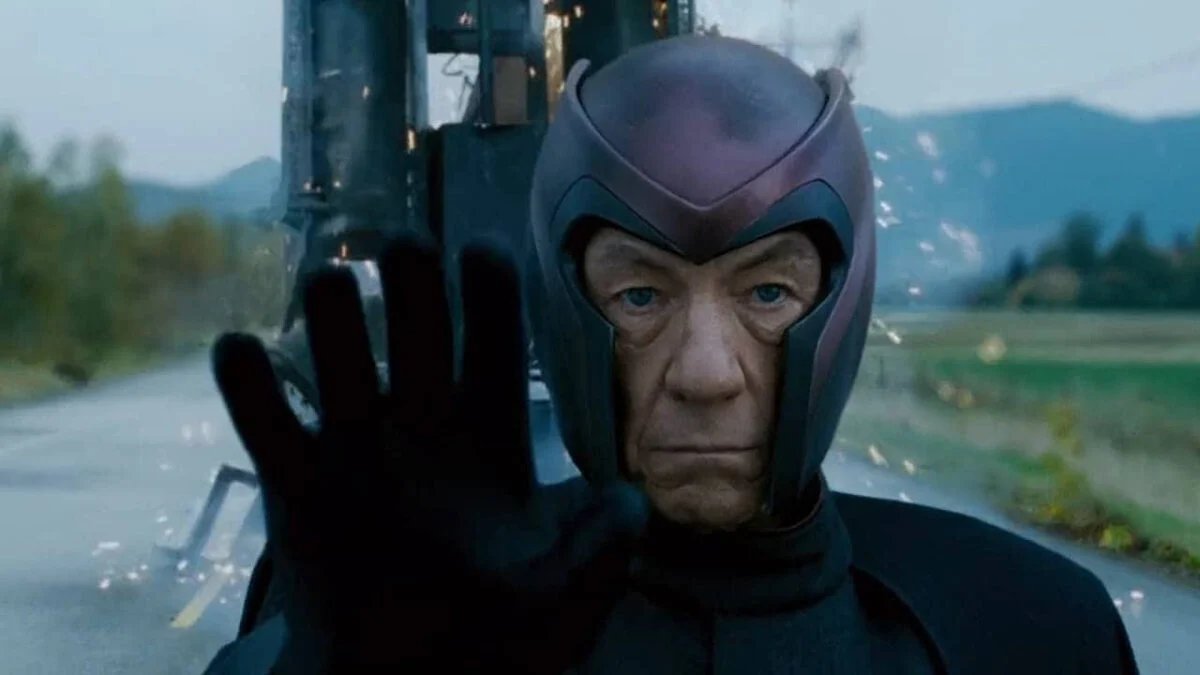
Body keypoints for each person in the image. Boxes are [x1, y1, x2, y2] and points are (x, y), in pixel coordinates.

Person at [206, 36, 1138, 674]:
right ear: (565, 305)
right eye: (641, 296)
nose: (705, 375)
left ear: (841, 300)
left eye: (767, 293)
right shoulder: (400, 579)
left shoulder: (1027, 627)